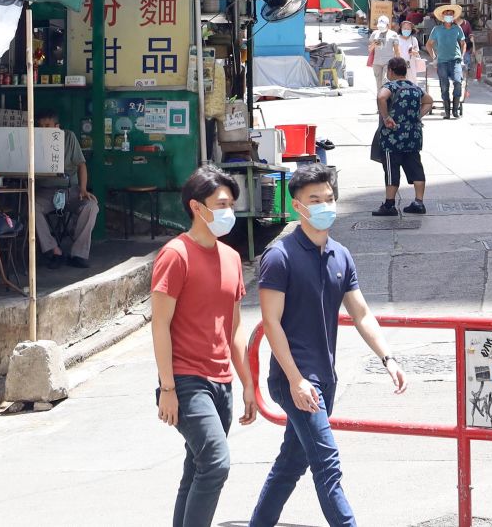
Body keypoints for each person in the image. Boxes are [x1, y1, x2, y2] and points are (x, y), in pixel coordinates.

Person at [250, 166, 407, 527]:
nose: (324, 206)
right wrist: (294, 379)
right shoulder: (279, 256)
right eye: (314, 200)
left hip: (325, 378)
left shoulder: (341, 255)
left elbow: (362, 313)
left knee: (291, 463)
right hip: (295, 380)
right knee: (327, 462)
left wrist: (388, 358)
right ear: (297, 207)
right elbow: (271, 323)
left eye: (329, 199)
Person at [151, 166, 255, 527]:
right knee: (215, 464)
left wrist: (248, 384)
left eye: (231, 203)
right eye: (221, 204)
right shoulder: (175, 255)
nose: (229, 211)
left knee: (196, 468)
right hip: (186, 379)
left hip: (221, 381)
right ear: (197, 207)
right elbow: (160, 325)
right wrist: (168, 388)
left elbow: (235, 326)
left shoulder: (231, 258)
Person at [34, 109, 99, 269]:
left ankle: (78, 254)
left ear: (57, 126)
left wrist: (83, 189)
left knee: (91, 207)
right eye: (40, 126)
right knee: (31, 208)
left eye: (47, 125)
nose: (43, 129)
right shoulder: (33, 139)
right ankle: (53, 250)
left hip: (71, 190)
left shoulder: (68, 137)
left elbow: (81, 165)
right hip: (46, 192)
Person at [372, 56, 432, 217]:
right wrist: (417, 116)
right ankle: (418, 203)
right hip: (413, 135)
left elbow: (381, 97)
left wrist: (386, 118)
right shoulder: (414, 87)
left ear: (390, 71)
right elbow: (429, 101)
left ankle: (389, 204)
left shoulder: (390, 86)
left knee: (392, 169)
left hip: (393, 136)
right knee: (415, 167)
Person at [425, 3, 467, 118]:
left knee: (458, 82)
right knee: (444, 86)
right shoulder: (437, 29)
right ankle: (447, 111)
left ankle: (455, 110)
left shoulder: (457, 28)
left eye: (450, 14)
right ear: (442, 16)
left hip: (456, 60)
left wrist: (462, 56)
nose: (448, 15)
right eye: (446, 14)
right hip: (442, 61)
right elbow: (428, 45)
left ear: (453, 16)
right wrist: (434, 57)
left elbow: (463, 43)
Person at [367, 15, 395, 90]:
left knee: (385, 82)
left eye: (383, 26)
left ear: (388, 25)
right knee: (378, 83)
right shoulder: (374, 34)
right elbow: (370, 49)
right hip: (377, 62)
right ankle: (380, 99)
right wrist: (374, 44)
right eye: (380, 26)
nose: (381, 28)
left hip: (389, 62)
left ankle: (386, 98)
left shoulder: (393, 34)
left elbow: (397, 49)